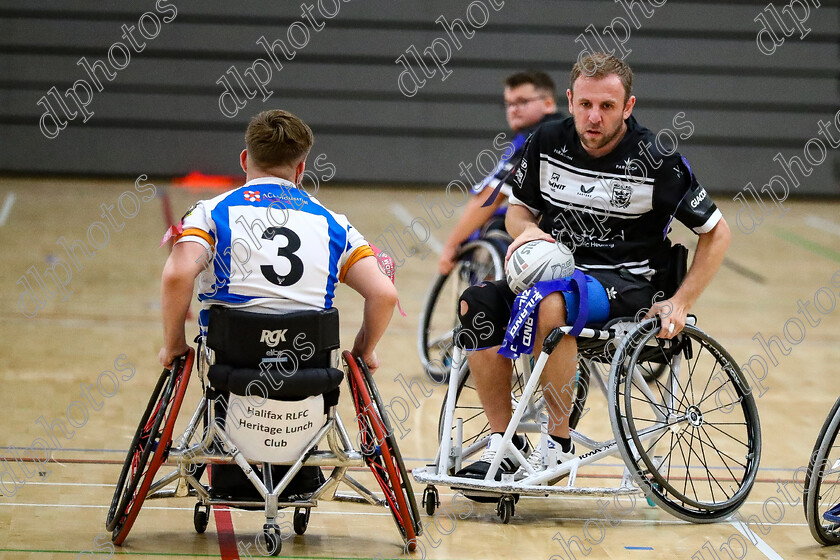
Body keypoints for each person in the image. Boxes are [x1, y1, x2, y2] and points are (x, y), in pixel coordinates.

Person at [454, 53, 731, 481]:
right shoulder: (546, 141)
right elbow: (517, 210)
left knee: (550, 305)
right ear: (569, 100)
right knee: (475, 303)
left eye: (606, 106)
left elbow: (717, 232)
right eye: (584, 105)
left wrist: (681, 301)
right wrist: (526, 231)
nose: (594, 117)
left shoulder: (657, 159)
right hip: (558, 272)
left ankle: (558, 446)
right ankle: (503, 442)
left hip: (629, 284)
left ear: (628, 107)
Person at [158, 109, 398, 373]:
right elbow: (384, 294)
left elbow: (177, 275)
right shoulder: (335, 224)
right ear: (301, 168)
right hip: (309, 369)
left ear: (244, 160)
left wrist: (174, 345)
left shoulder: (210, 212)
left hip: (231, 364)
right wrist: (364, 351)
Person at [437, 71, 563, 275]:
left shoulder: (536, 137)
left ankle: (487, 301)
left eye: (522, 102)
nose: (513, 109)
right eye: (509, 103)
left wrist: (451, 246)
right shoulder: (558, 130)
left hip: (552, 237)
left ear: (548, 103)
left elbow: (490, 197)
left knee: (494, 228)